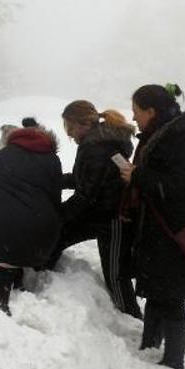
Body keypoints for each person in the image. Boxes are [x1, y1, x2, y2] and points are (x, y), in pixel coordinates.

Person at [119, 83, 185, 369]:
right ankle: (150, 344)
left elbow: (183, 187)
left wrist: (138, 176)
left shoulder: (181, 138)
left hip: (176, 231)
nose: (134, 118)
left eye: (136, 112)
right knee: (156, 288)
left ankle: (173, 361)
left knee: (172, 294)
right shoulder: (161, 133)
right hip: (160, 229)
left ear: (151, 111)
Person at [43, 100, 142, 319]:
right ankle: (41, 278)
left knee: (116, 275)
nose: (69, 133)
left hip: (114, 217)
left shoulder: (99, 147)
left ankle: (132, 320)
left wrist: (57, 215)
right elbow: (84, 181)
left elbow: (86, 194)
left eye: (70, 127)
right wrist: (52, 180)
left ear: (84, 124)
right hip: (98, 213)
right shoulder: (94, 143)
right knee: (60, 235)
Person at [0, 117, 62, 315]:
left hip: (2, 235)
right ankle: (21, 272)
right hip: (41, 240)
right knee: (24, 242)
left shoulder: (1, 157)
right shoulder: (52, 160)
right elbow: (55, 200)